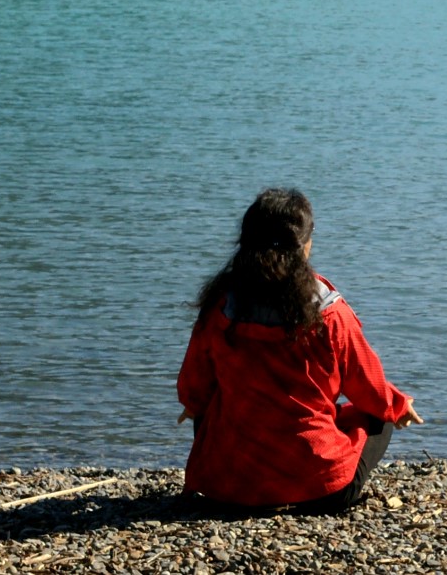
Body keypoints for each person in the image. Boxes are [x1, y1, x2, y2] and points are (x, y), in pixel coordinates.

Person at [177, 188, 423, 513]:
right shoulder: (328, 314)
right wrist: (398, 405)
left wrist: (194, 405)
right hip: (320, 489)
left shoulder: (220, 307)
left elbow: (194, 384)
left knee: (209, 406)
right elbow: (369, 390)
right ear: (305, 244)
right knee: (381, 414)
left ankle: (239, 478)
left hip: (225, 488)